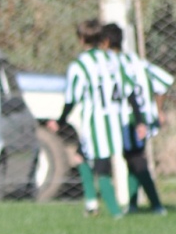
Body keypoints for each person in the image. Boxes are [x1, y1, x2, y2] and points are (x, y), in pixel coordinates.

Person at [46, 19, 127, 219]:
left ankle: (115, 212)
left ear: (82, 40)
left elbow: (72, 97)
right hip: (116, 120)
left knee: (102, 167)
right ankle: (91, 204)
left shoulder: (80, 65)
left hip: (95, 122)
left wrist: (60, 120)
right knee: (81, 157)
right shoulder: (114, 60)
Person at [101, 22, 172, 215]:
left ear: (105, 42)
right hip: (142, 117)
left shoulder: (110, 63)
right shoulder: (137, 61)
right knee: (132, 158)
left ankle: (157, 205)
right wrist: (159, 110)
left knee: (136, 159)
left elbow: (127, 90)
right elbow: (164, 82)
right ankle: (133, 205)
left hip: (129, 118)